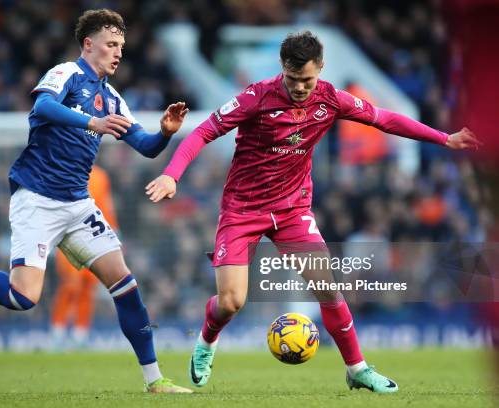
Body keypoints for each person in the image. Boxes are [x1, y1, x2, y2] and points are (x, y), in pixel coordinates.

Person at [146, 31, 480, 393]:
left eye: (307, 79)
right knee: (231, 302)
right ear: (282, 69)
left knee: (327, 289)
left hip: (292, 209)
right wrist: (171, 174)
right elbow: (203, 133)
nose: (300, 87)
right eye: (293, 79)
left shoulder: (331, 98)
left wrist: (443, 138)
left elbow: (384, 119)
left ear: (320, 68)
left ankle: (357, 369)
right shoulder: (256, 97)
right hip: (243, 209)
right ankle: (207, 342)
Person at [0, 9, 192, 394]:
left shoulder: (112, 98)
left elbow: (145, 147)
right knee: (23, 297)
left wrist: (165, 133)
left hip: (78, 205)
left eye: (122, 46)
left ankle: (155, 381)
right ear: (88, 44)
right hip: (37, 198)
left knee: (126, 285)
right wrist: (90, 123)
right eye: (111, 44)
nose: (118, 53)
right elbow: (42, 108)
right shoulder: (66, 73)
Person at [50, 166, 116, 350]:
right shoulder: (63, 170)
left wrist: (114, 231)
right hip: (69, 238)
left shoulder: (101, 176)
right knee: (71, 285)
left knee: (88, 287)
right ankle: (58, 332)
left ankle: (80, 334)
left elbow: (106, 206)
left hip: (95, 238)